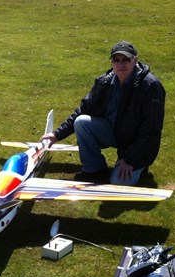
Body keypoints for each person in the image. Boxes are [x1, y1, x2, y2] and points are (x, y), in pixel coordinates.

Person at [41, 41, 166, 186]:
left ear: (135, 60)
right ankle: (94, 168)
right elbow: (84, 109)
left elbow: (151, 130)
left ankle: (140, 165)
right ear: (111, 62)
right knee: (81, 122)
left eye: (126, 60)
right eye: (116, 60)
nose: (121, 64)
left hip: (135, 140)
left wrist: (130, 159)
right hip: (113, 131)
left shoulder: (151, 86)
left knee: (118, 182)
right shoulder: (104, 81)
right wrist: (57, 135)